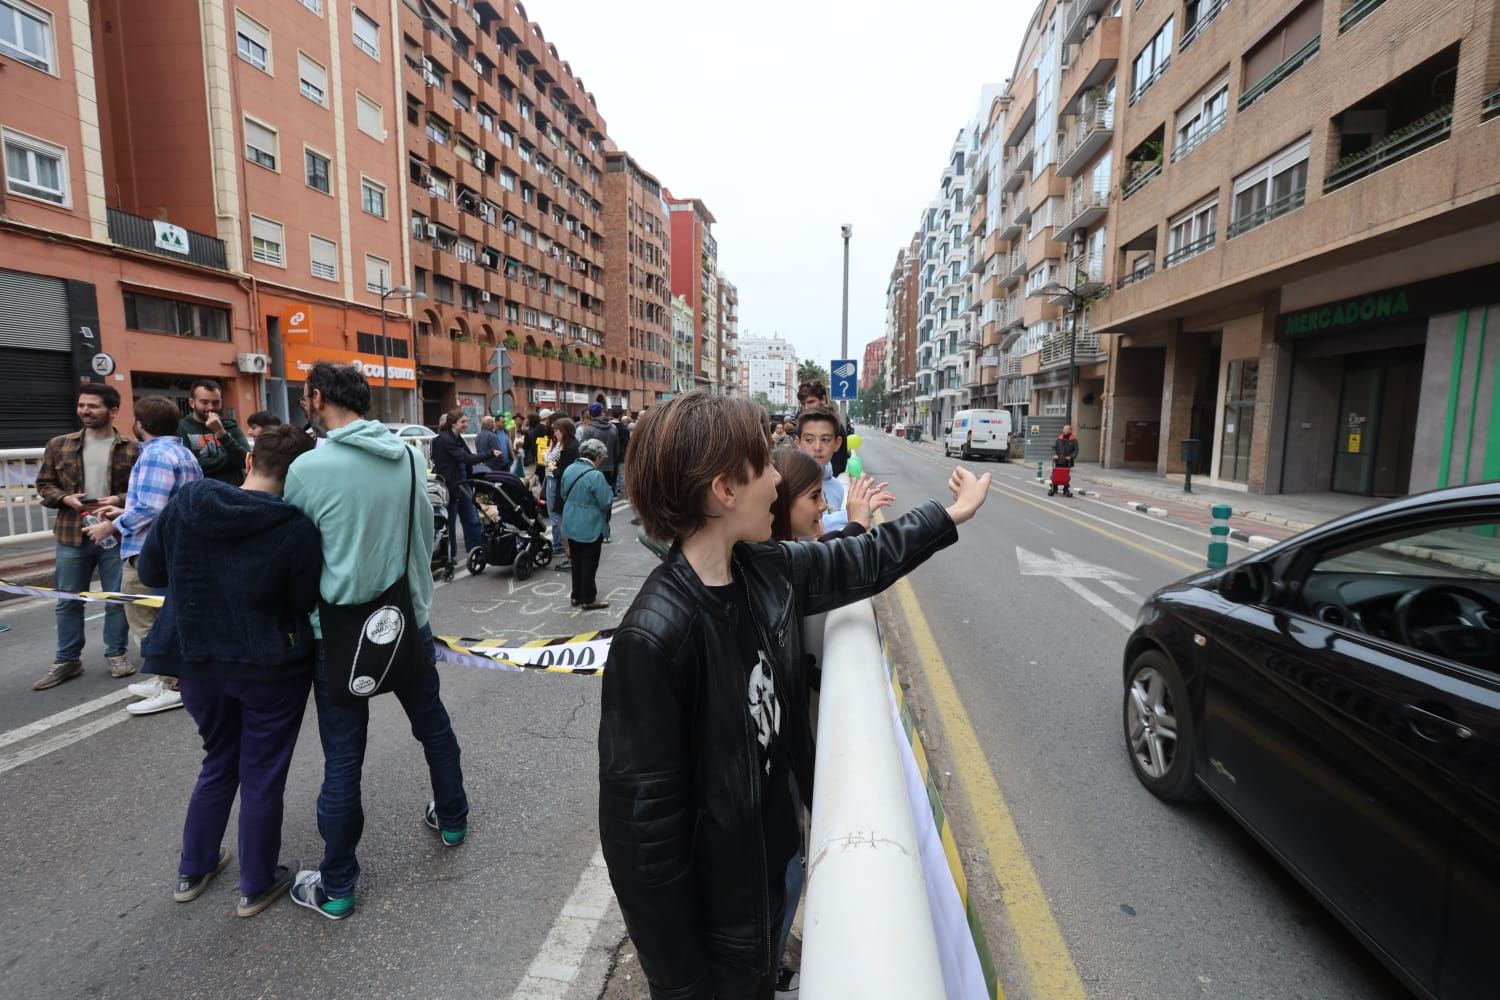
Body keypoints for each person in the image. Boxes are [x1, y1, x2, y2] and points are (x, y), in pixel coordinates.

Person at [600, 390, 991, 1000]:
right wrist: (682, 986)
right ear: (724, 490)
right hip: (721, 930)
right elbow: (643, 847)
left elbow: (857, 558)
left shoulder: (762, 569)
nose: (780, 479)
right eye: (765, 466)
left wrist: (950, 514)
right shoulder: (655, 637)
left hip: (776, 870)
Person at [283, 362, 469, 921]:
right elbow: (424, 540)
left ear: (316, 398)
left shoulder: (307, 468)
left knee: (343, 756)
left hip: (335, 633)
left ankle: (338, 885)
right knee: (433, 724)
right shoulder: (409, 458)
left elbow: (296, 559)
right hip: (406, 619)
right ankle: (453, 818)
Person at [137, 425, 320, 918]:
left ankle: (193, 869)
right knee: (262, 774)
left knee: (218, 759)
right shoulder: (295, 527)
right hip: (269, 669)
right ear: (299, 474)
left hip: (194, 661)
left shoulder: (190, 501)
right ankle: (256, 884)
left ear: (248, 461)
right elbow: (304, 601)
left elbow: (152, 571)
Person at [87, 396, 204, 714]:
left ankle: (173, 682)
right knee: (167, 615)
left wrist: (111, 526)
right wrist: (124, 510)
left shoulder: (154, 455)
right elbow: (163, 502)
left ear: (141, 424)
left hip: (149, 549)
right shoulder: (181, 452)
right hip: (173, 546)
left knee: (145, 617)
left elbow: (152, 508)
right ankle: (167, 677)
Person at [32, 384, 138, 690]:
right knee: (67, 600)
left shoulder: (131, 448)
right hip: (71, 532)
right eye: (81, 406)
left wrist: (118, 499)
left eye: (92, 406)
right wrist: (66, 499)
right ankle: (67, 659)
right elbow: (44, 485)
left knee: (115, 599)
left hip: (113, 532)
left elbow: (140, 491)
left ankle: (116, 654)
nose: (85, 411)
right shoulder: (59, 445)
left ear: (113, 410)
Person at [770, 449, 892, 543]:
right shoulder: (776, 561)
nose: (824, 506)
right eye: (814, 497)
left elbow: (828, 523)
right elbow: (826, 558)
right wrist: (856, 526)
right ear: (782, 500)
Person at [429, 409, 493, 561]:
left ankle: (477, 551)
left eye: (466, 421)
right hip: (451, 486)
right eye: (463, 422)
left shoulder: (457, 438)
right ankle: (450, 556)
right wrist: (490, 454)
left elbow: (469, 457)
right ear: (453, 423)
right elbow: (465, 458)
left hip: (463, 483)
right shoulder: (444, 440)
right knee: (450, 522)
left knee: (471, 518)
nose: (466, 424)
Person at [561, 438, 614, 610]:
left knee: (576, 560)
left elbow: (563, 493)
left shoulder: (569, 468)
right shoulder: (595, 475)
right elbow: (606, 502)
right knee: (589, 562)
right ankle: (588, 599)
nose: (601, 461)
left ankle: (576, 595)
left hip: (571, 520)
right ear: (597, 456)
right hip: (590, 524)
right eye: (602, 457)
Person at [178, 379, 251, 486]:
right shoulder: (182, 428)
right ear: (192, 403)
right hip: (202, 494)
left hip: (234, 492)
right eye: (204, 402)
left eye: (215, 402)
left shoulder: (230, 426)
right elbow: (190, 466)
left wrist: (221, 432)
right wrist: (230, 460)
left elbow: (246, 460)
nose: (211, 407)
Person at [796, 406, 848, 533]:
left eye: (825, 440)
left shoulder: (838, 487)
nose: (817, 447)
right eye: (809, 440)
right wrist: (850, 516)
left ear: (837, 443)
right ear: (798, 443)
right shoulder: (788, 483)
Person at [797, 380, 852, 477]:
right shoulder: (802, 424)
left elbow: (839, 466)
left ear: (823, 399)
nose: (806, 407)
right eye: (803, 404)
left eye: (810, 402)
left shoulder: (836, 427)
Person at [546, 417, 580, 569]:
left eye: (556, 430)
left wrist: (554, 468)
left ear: (563, 431)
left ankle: (571, 557)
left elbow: (566, 472)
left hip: (566, 491)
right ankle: (571, 556)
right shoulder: (571, 444)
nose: (555, 433)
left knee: (564, 525)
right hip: (568, 490)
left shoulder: (570, 447)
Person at [578, 402, 620, 497]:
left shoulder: (589, 430)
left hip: (592, 467)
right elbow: (617, 451)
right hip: (609, 467)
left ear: (591, 414)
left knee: (593, 495)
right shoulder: (613, 428)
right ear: (602, 412)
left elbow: (583, 451)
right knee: (606, 494)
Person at [1051, 424, 1079, 498]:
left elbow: (1076, 450)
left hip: (1067, 461)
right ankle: (1054, 488)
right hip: (1058, 460)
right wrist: (1055, 454)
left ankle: (1065, 489)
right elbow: (1054, 448)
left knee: (1066, 476)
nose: (1065, 431)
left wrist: (1071, 457)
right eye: (1064, 429)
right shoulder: (1059, 439)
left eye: (1067, 429)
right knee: (1056, 474)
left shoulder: (1073, 440)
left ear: (1070, 430)